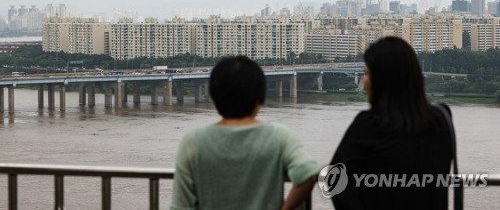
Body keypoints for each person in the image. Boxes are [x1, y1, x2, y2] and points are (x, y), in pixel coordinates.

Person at [171, 55, 318, 210]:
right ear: (258, 99)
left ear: (215, 96)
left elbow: (180, 206)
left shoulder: (193, 141)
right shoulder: (279, 136)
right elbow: (307, 174)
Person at [329, 37, 453, 210]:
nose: (364, 83)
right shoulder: (442, 119)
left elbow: (336, 179)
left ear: (381, 81)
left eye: (367, 74)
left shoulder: (370, 125)